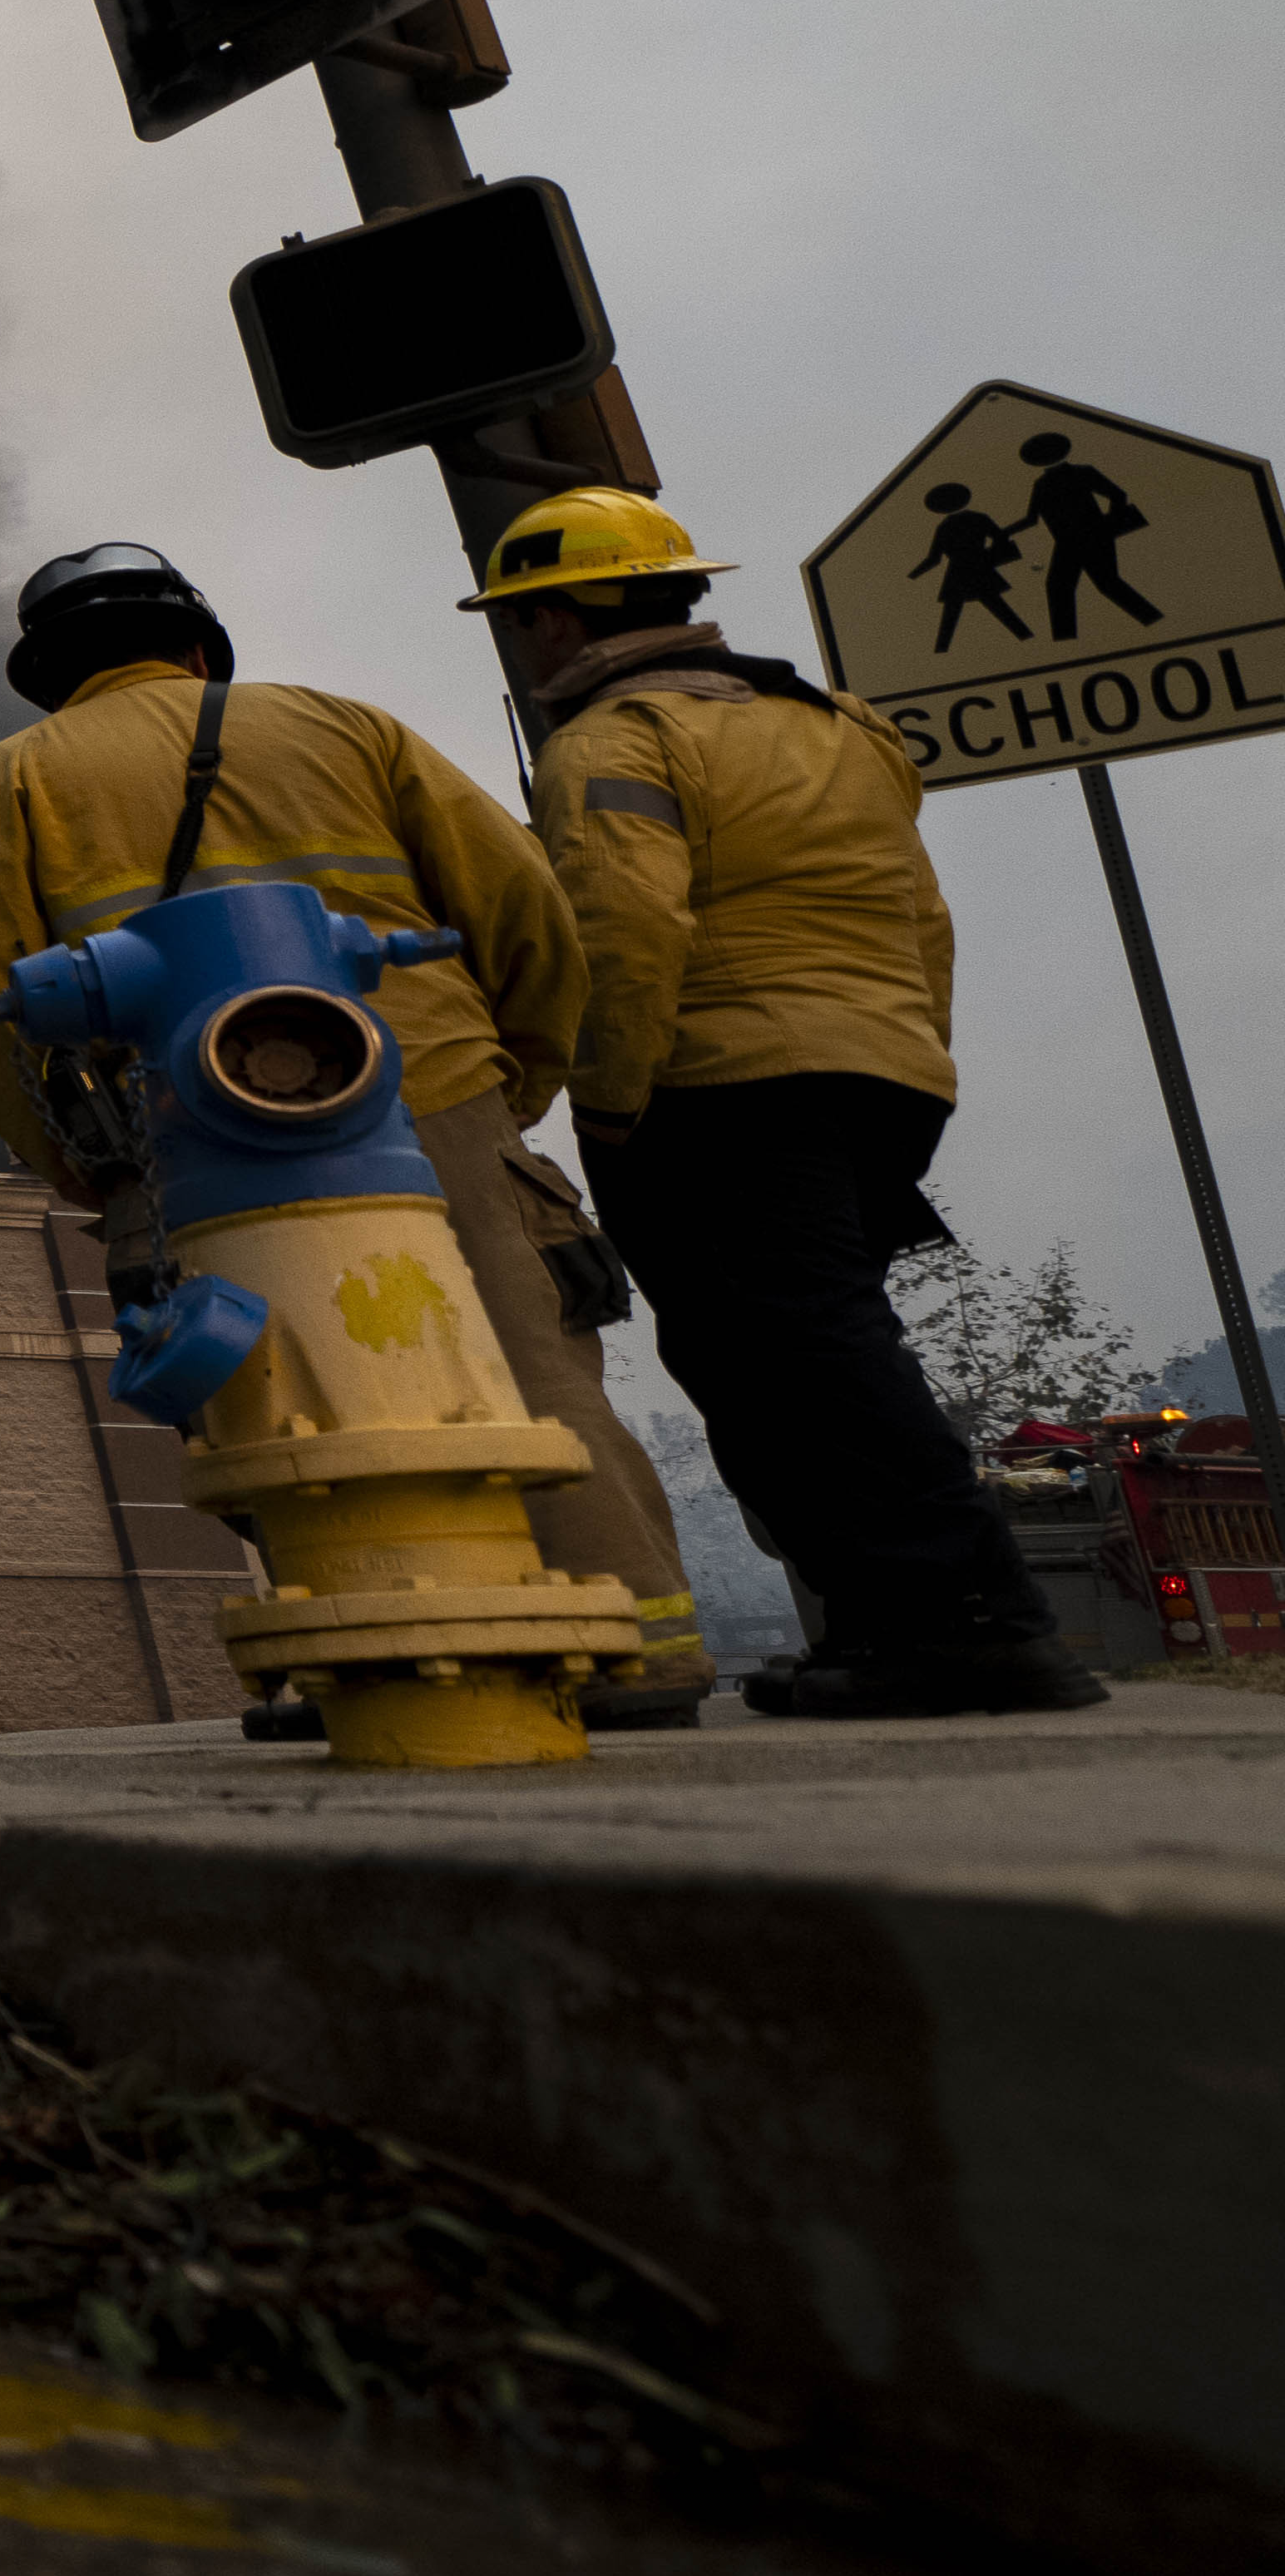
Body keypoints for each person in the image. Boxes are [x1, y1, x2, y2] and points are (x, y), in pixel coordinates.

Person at [0, 540, 704, 1727]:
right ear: (199, 645)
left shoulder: (14, 778)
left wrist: (93, 1170)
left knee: (273, 1398)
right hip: (428, 1086)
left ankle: (366, 1659)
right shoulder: (343, 726)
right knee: (525, 1371)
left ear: (49, 673)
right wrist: (513, 1078)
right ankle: (642, 1653)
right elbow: (525, 910)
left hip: (191, 1133)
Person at [460, 487, 1095, 1718]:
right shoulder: (840, 724)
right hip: (884, 1073)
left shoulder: (611, 741)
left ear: (561, 618)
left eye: (527, 614)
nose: (526, 640)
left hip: (723, 1087)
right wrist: (914, 1059)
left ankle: (965, 1623)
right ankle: (889, 1623)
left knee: (794, 1365)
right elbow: (926, 918)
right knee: (804, 1352)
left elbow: (625, 934)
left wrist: (606, 1103)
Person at [1014, 431, 1158, 642]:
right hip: (1066, 545)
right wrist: (1003, 534)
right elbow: (1031, 519)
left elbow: (1118, 495)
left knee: (1107, 584)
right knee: (1059, 587)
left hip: (1094, 537)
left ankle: (1156, 621)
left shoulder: (1082, 472)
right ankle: (1065, 643)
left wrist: (1108, 527)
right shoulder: (1041, 485)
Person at [906, 482, 1025, 655]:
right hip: (977, 569)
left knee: (954, 614)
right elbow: (1001, 537)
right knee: (993, 607)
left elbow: (933, 559)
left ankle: (941, 653)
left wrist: (912, 576)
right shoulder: (978, 518)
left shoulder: (945, 527)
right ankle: (1026, 636)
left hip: (959, 573)